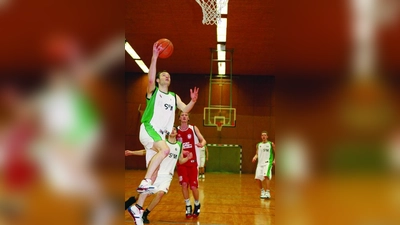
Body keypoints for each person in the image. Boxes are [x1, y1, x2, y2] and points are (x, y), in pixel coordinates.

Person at [136, 40, 199, 195]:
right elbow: (150, 79)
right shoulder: (154, 92)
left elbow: (185, 109)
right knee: (164, 151)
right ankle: (145, 181)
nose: (167, 76)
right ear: (158, 80)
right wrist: (154, 57)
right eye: (163, 75)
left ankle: (138, 209)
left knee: (156, 167)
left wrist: (193, 101)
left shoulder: (173, 96)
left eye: (168, 75)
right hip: (149, 128)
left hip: (159, 135)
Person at [126, 127, 193, 225]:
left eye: (175, 129)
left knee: (161, 193)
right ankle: (130, 203)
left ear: (177, 133)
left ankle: (145, 214)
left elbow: (181, 160)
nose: (173, 131)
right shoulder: (163, 143)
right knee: (144, 195)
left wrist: (188, 158)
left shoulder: (179, 145)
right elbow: (146, 151)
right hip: (157, 174)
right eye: (171, 129)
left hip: (167, 176)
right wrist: (132, 152)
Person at [176, 112, 207, 219]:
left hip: (193, 163)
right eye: (182, 115)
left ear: (188, 118)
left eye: (186, 115)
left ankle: (197, 203)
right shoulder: (175, 130)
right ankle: (188, 205)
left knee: (193, 186)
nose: (184, 116)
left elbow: (203, 140)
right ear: (179, 118)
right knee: (184, 184)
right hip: (181, 162)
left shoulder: (193, 128)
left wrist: (201, 143)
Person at [252, 131, 275, 199]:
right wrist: (255, 157)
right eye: (262, 135)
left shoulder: (271, 144)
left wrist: (275, 160)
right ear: (261, 137)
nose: (264, 136)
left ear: (267, 136)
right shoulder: (258, 145)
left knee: (266, 175)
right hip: (260, 163)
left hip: (267, 162)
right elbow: (257, 153)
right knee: (258, 178)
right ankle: (262, 191)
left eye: (265, 135)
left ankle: (268, 192)